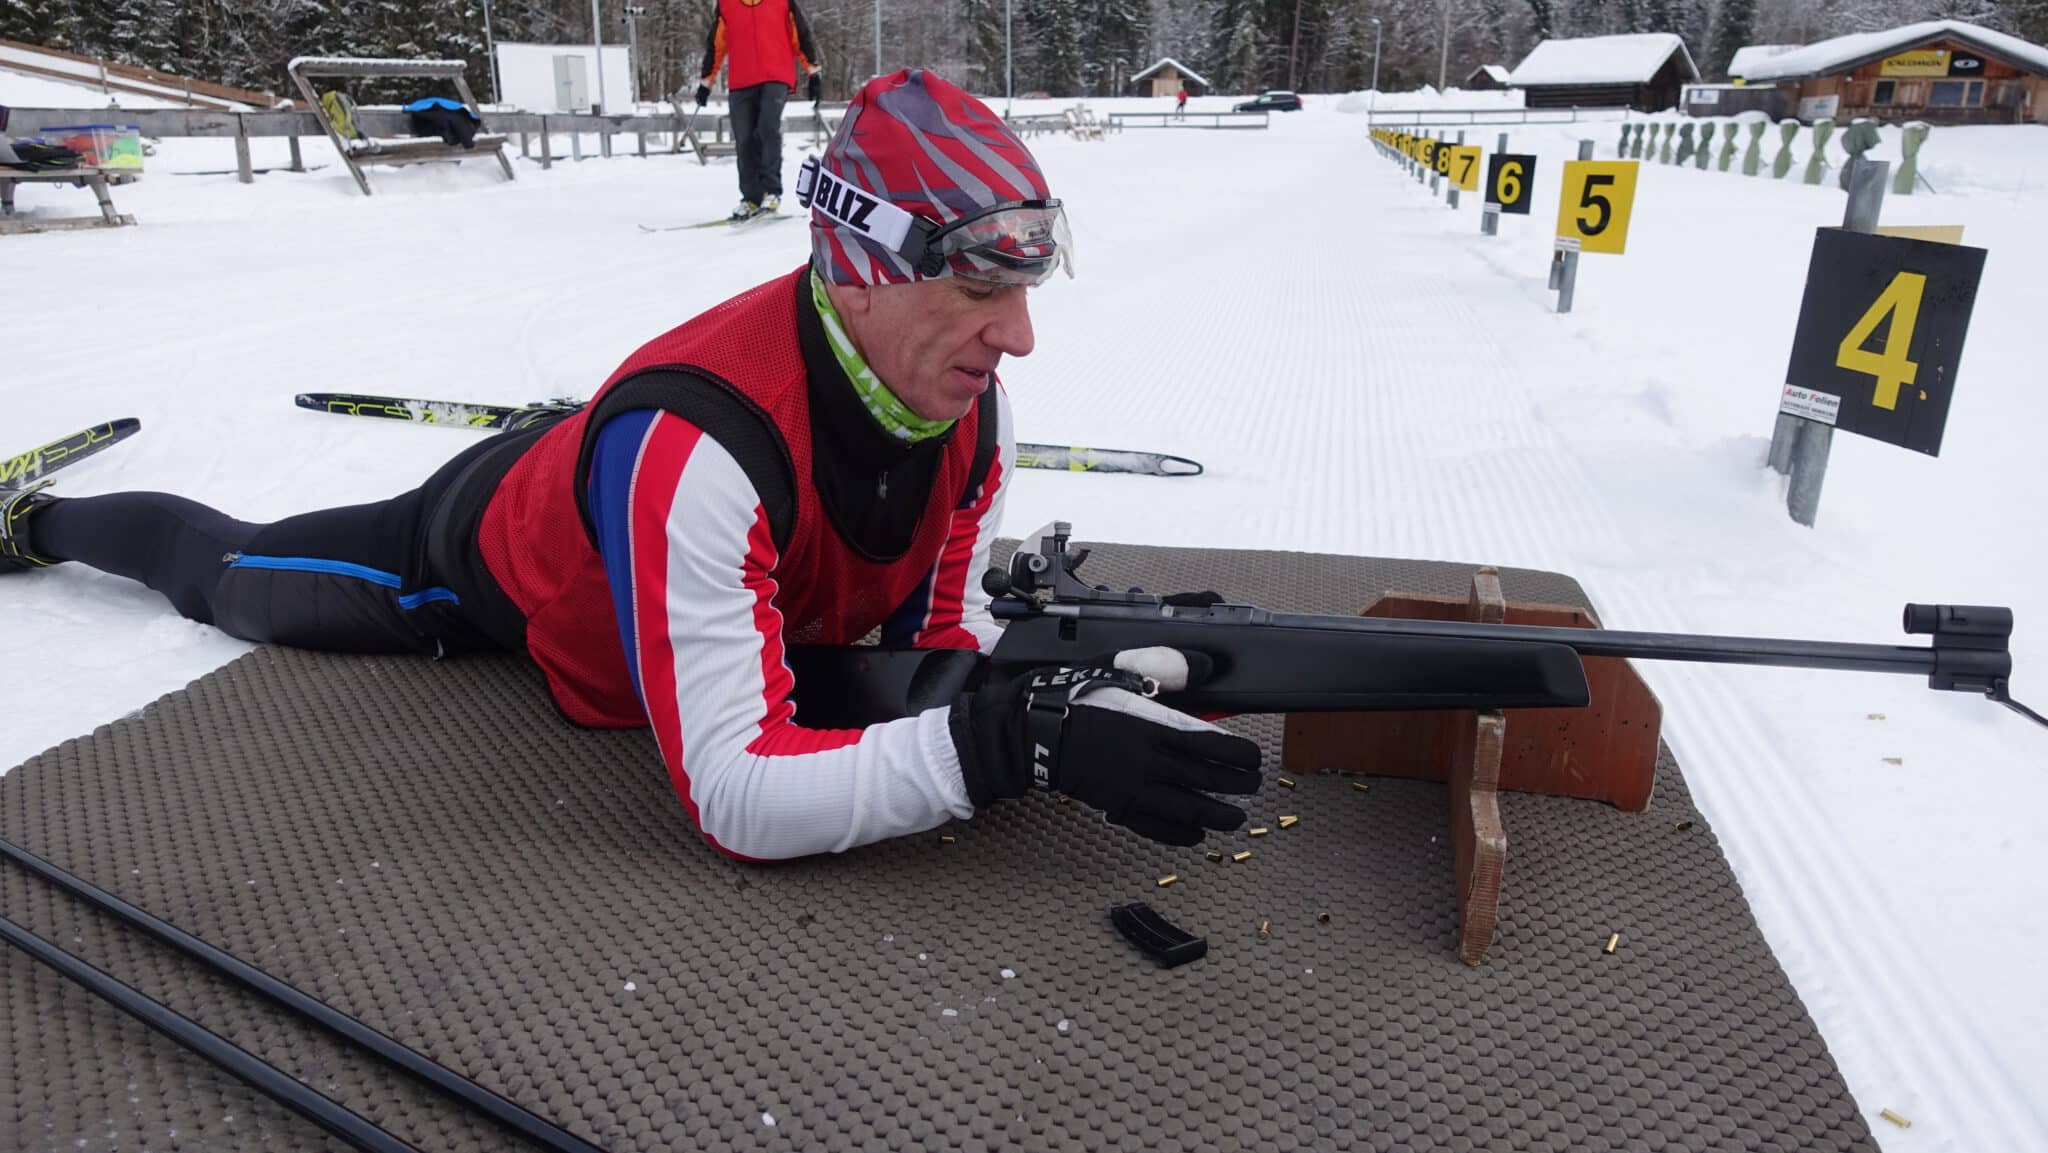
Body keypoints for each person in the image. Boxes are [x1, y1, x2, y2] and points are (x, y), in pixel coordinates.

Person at [1, 70, 1261, 863]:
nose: (1018, 335)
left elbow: (930, 651)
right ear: (864, 268)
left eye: (1027, 290)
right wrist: (1007, 749)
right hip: (476, 552)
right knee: (230, 573)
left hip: (636, 478)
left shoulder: (975, 417)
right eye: (981, 288)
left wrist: (1092, 680)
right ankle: (39, 521)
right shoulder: (701, 448)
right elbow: (738, 796)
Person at [694, 0, 823, 222]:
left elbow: (801, 36)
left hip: (776, 76)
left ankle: (772, 192)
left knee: (767, 128)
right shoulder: (727, 5)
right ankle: (751, 198)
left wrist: (813, 72)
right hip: (741, 80)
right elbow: (716, 45)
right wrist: (706, 83)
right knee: (744, 138)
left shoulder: (783, 3)